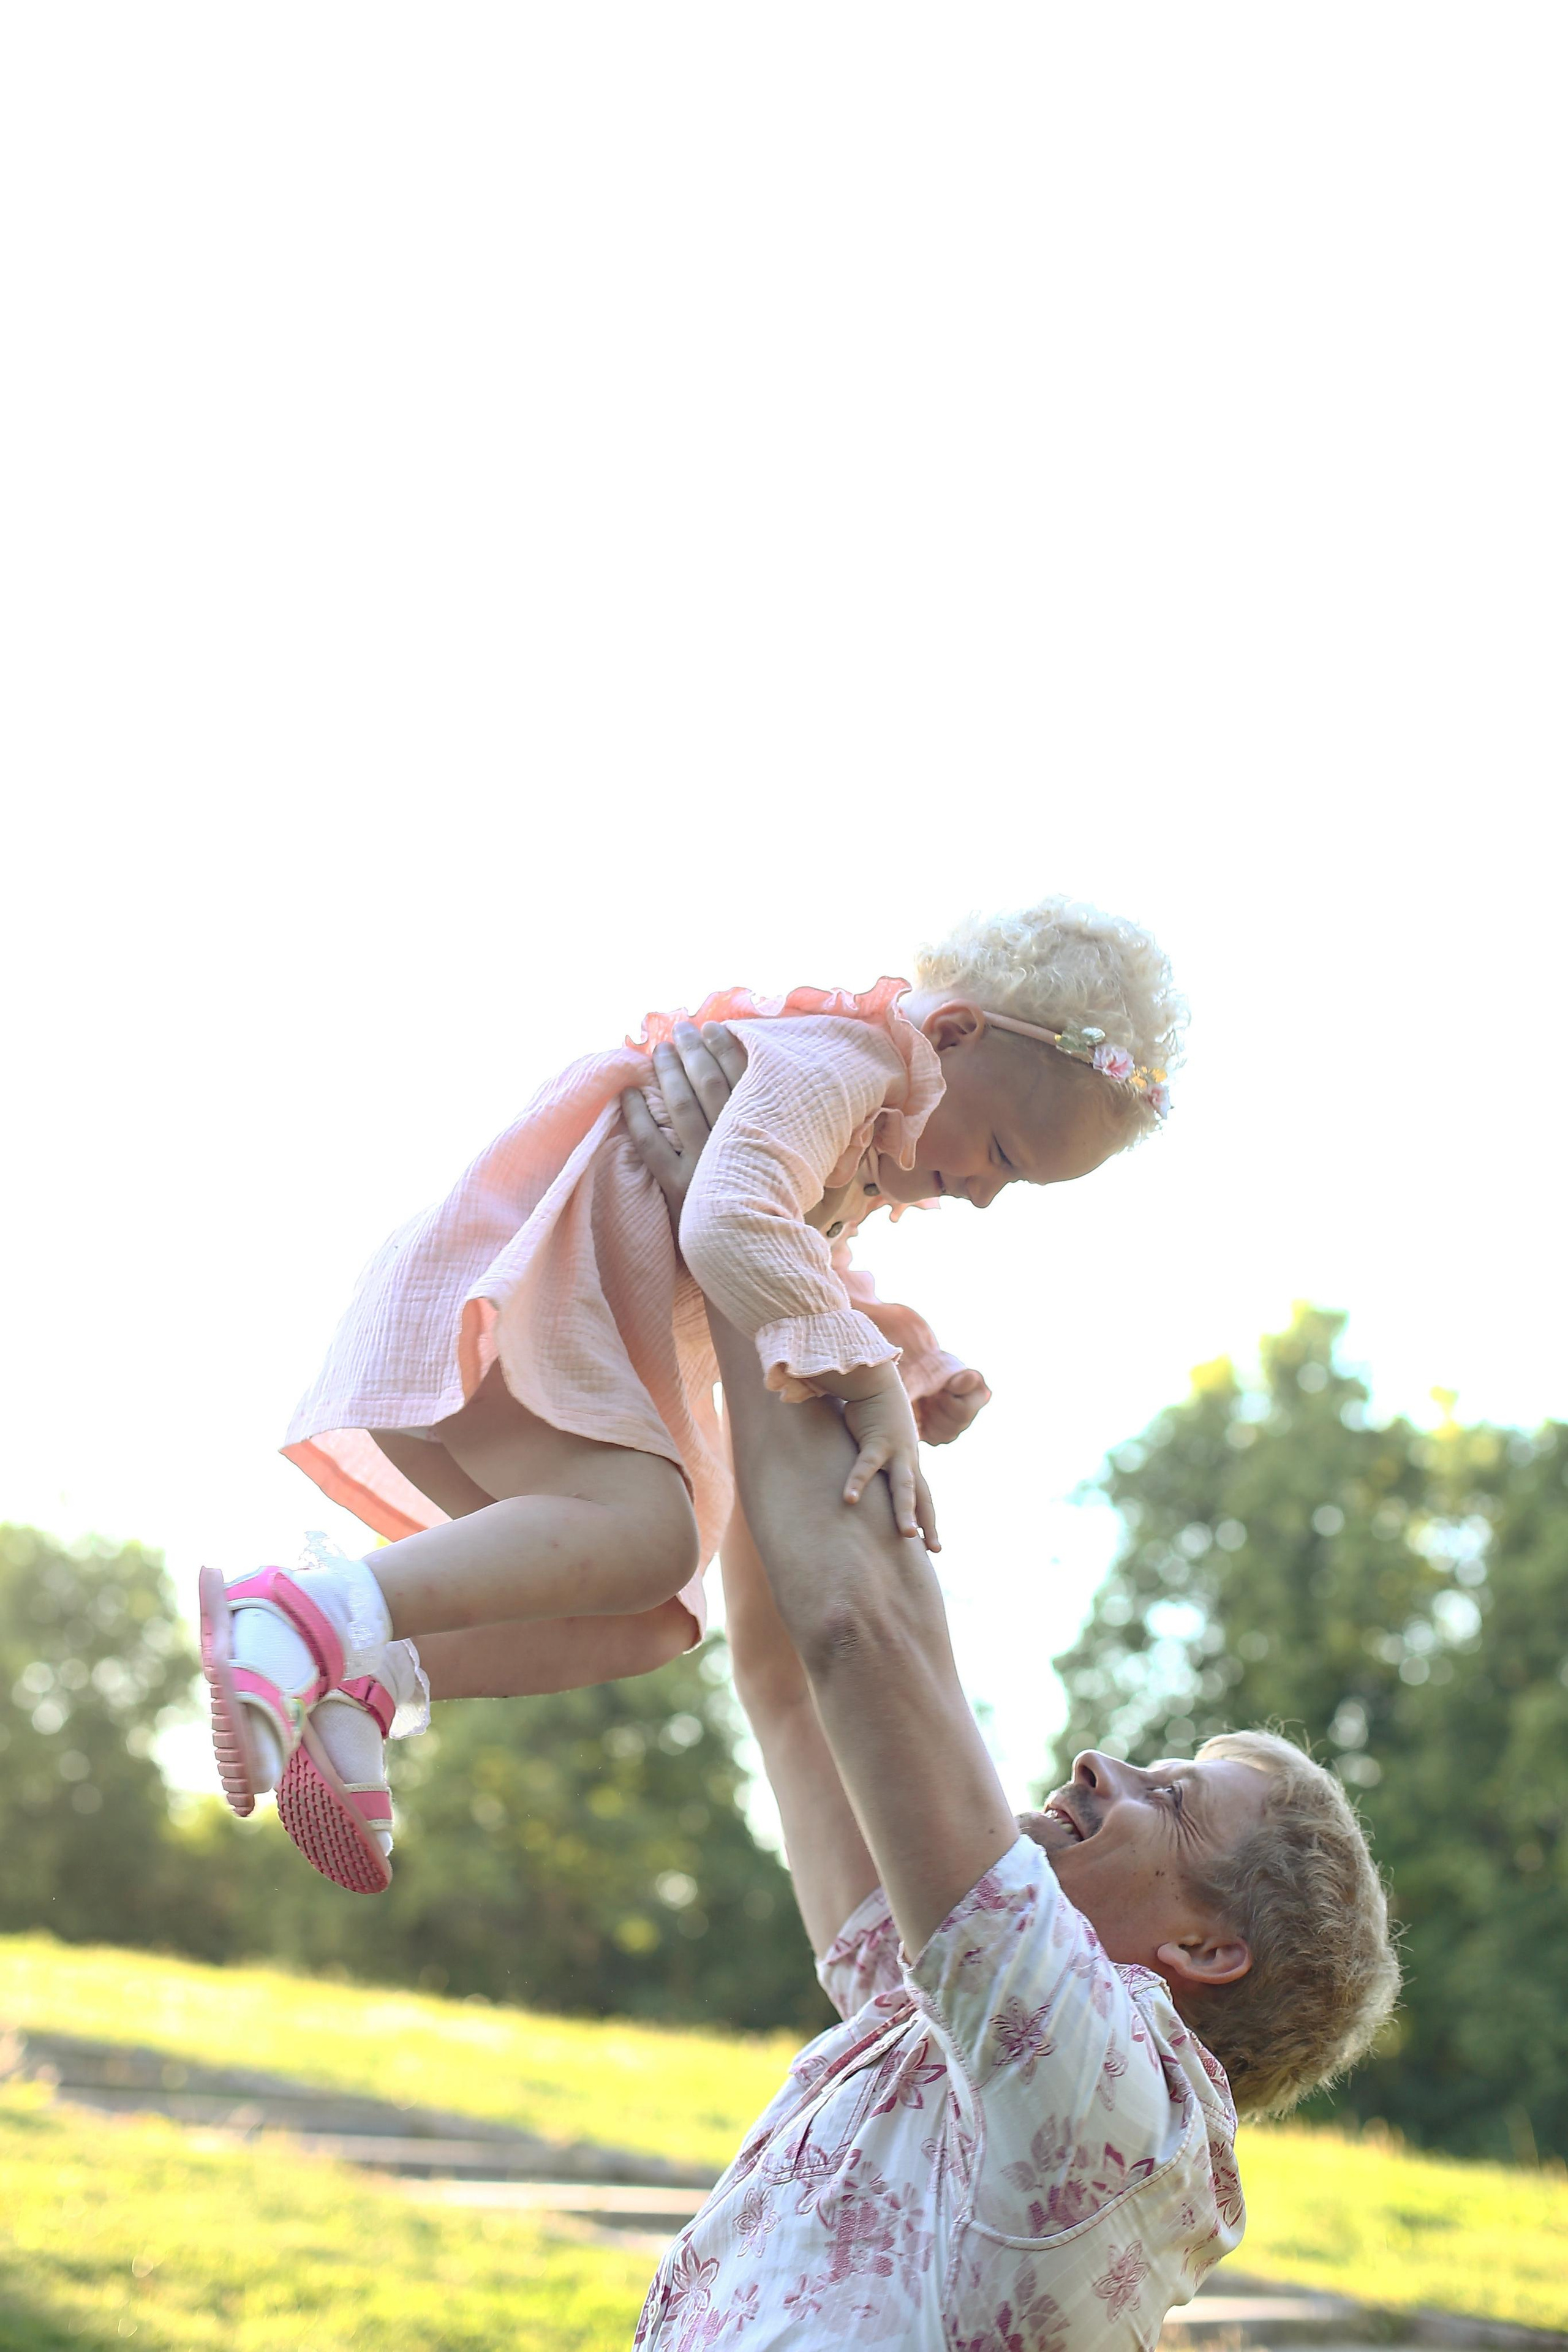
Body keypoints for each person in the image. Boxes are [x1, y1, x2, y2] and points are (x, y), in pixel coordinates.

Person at [623, 1025, 1401, 2351]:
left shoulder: (1115, 2106)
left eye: (1167, 1797)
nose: (1102, 1764)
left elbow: (862, 1639)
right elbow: (786, 1670)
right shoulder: (933, 2017)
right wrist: (771, 1253)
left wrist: (748, 1224)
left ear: (1205, 1953)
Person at [201, 899, 1184, 1891]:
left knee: (651, 1612)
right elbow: (733, 1224)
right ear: (953, 1033)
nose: (981, 1195)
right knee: (654, 1534)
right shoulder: (835, 1065)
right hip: (512, 1307)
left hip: (566, 1346)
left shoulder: (867, 1123)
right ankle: (296, 1615)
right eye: (1005, 1155)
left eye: (1016, 1188)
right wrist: (869, 1376)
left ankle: (372, 1673)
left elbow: (804, 1254)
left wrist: (915, 1360)